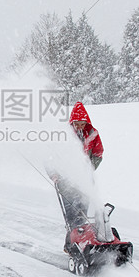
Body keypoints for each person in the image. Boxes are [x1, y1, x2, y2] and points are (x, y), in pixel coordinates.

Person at [54, 101, 107, 251]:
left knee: (83, 213)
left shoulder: (92, 133)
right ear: (72, 122)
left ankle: (82, 244)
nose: (80, 127)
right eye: (77, 124)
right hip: (66, 180)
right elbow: (50, 156)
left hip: (85, 180)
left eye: (82, 124)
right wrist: (54, 174)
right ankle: (71, 245)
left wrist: (89, 168)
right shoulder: (63, 135)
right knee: (72, 215)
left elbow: (98, 154)